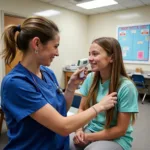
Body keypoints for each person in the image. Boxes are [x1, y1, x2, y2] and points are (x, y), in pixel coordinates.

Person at [0, 16, 117, 150]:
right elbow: (63, 126)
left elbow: (62, 110)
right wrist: (99, 106)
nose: (57, 53)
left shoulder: (47, 73)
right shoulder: (16, 83)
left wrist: (71, 87)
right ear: (36, 44)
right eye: (55, 46)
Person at [70, 37, 139, 150]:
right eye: (89, 54)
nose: (90, 58)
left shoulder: (126, 87)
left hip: (117, 138)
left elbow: (120, 130)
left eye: (95, 54)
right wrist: (79, 130)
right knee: (65, 143)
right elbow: (82, 109)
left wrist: (88, 137)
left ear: (111, 57)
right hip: (91, 130)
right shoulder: (91, 78)